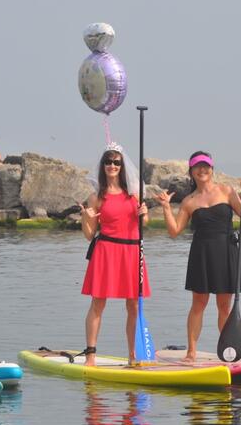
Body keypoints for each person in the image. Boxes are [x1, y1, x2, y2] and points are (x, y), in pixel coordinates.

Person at [153, 151, 241, 362]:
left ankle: (229, 351)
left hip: (226, 251)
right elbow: (174, 231)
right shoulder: (189, 201)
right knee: (198, 303)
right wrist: (165, 208)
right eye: (197, 167)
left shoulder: (226, 191)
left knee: (224, 306)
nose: (202, 170)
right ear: (191, 172)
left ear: (212, 169)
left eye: (206, 166)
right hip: (201, 254)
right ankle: (191, 352)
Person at [78, 142, 149, 366]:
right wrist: (86, 218)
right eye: (108, 162)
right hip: (106, 251)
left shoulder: (134, 195)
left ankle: (132, 355)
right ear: (103, 166)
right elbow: (90, 235)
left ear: (122, 166)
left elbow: (144, 223)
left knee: (134, 306)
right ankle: (91, 355)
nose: (112, 165)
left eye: (116, 162)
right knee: (98, 303)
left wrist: (144, 213)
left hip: (132, 250)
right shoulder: (96, 197)